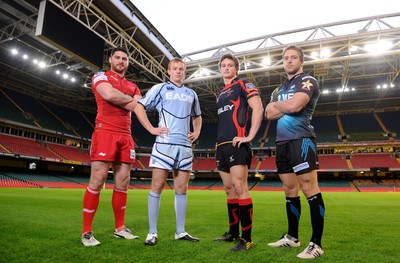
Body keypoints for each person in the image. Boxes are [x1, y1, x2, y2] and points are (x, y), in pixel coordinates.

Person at [81, 46, 166, 246]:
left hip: (126, 136)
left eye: (125, 59)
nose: (121, 61)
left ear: (128, 63)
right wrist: (133, 103)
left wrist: (149, 125)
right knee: (98, 179)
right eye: (117, 57)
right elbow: (110, 95)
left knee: (123, 181)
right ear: (111, 60)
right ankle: (86, 232)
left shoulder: (133, 86)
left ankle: (120, 228)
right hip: (105, 132)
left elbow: (137, 107)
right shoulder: (100, 76)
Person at [133, 57, 202, 246]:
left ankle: (180, 231)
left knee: (182, 189)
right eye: (175, 68)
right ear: (169, 71)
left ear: (184, 71)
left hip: (185, 147)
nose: (178, 71)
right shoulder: (160, 88)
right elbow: (139, 107)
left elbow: (197, 116)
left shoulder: (191, 93)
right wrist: (151, 129)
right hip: (164, 145)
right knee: (157, 186)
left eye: (181, 68)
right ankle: (152, 232)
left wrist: (196, 132)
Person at [265, 45, 325, 259]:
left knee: (310, 188)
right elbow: (267, 113)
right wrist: (286, 105)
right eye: (286, 58)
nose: (289, 61)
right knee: (289, 189)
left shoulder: (308, 81)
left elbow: (296, 106)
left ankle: (316, 244)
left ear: (301, 61)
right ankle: (292, 237)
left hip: (301, 140)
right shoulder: (277, 89)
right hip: (282, 143)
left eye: (293, 58)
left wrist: (282, 106)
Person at [213, 53, 263, 251]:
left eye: (230, 65)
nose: (226, 68)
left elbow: (258, 107)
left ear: (236, 69)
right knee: (228, 189)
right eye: (223, 65)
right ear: (220, 69)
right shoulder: (220, 94)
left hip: (237, 144)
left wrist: (249, 136)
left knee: (240, 187)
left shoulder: (243, 84)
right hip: (221, 146)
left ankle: (247, 239)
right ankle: (233, 233)